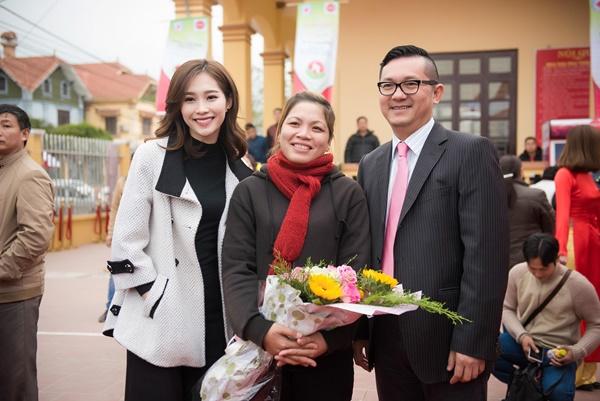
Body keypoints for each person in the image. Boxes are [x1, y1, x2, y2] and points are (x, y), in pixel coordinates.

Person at [355, 45, 509, 401]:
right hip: (386, 333)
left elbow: (486, 256)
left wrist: (473, 341)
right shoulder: (370, 164)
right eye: (388, 85)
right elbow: (365, 250)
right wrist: (361, 330)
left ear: (436, 92)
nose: (398, 95)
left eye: (411, 84)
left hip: (448, 338)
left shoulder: (469, 151)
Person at [102, 59, 252, 401]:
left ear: (228, 100)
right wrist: (156, 297)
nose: (201, 109)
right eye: (189, 99)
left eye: (211, 97)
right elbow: (126, 242)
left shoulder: (240, 164)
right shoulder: (151, 156)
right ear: (177, 106)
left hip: (221, 319)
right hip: (162, 319)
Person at [222, 91, 371, 401]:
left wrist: (329, 340)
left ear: (329, 139)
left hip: (325, 358)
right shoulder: (250, 191)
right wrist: (260, 331)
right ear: (279, 130)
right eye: (295, 123)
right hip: (257, 350)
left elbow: (358, 273)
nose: (304, 134)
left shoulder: (347, 193)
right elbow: (237, 267)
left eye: (317, 128)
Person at [493, 233, 600, 401]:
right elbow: (507, 309)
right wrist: (522, 335)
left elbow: (596, 325)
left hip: (558, 354)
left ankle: (533, 386)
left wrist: (576, 352)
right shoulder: (517, 273)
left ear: (556, 259)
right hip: (524, 346)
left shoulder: (578, 285)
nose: (538, 274)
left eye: (543, 269)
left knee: (560, 393)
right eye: (532, 268)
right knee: (486, 348)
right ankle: (526, 385)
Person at [0, 104, 55, 401]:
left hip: (15, 293)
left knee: (16, 381)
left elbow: (35, 236)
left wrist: (2, 269)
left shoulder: (29, 174)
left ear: (24, 134)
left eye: (6, 125)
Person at [554, 124, 600, 391]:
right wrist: (560, 251)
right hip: (576, 243)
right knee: (580, 306)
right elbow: (562, 215)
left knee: (594, 305)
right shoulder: (565, 174)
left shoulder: (589, 175)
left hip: (593, 240)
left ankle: (589, 371)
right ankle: (578, 371)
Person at [500, 155, 554, 268]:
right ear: (521, 171)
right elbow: (550, 227)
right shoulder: (536, 195)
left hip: (497, 261)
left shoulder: (488, 198)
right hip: (530, 261)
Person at [98, 174, 127, 323]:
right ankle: (110, 307)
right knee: (115, 270)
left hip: (144, 234)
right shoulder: (122, 182)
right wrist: (111, 233)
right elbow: (114, 208)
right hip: (122, 234)